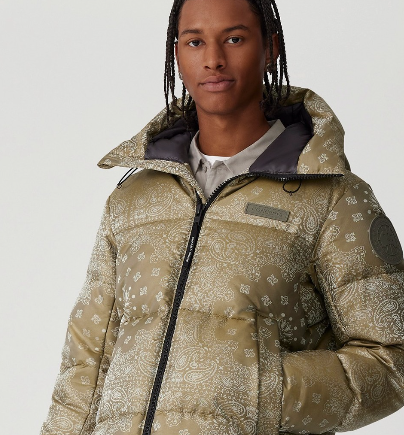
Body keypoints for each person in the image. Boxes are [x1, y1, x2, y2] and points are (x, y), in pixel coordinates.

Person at [41, 0, 404, 434]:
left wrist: (261, 391)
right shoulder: (134, 198)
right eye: (195, 42)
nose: (213, 59)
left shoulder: (333, 198)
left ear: (270, 48)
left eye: (234, 38)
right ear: (177, 55)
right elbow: (86, 361)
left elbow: (392, 359)